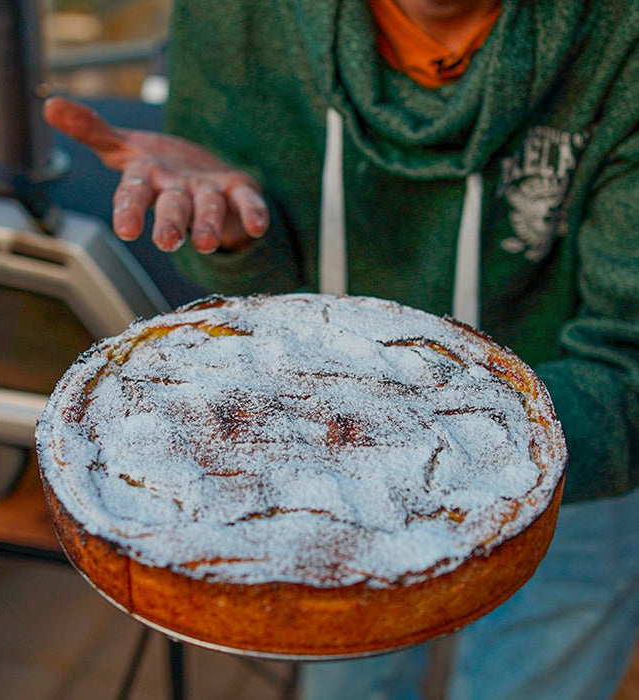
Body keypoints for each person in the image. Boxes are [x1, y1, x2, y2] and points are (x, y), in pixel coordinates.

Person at [44, 0, 639, 697]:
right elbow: (260, 304)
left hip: (568, 445)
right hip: (312, 475)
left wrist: (463, 443)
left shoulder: (620, 38)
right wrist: (236, 237)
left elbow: (626, 361)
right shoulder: (236, 15)